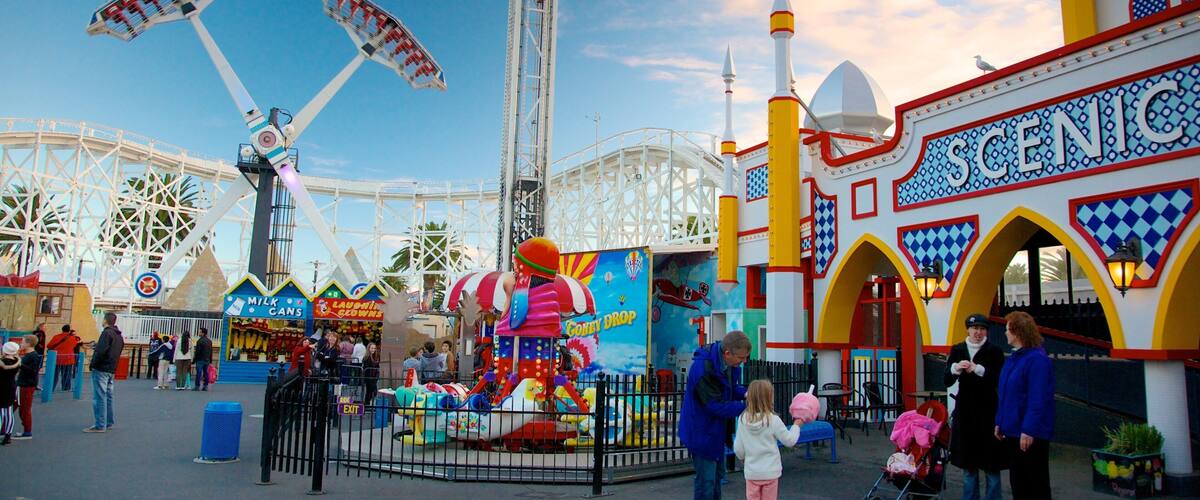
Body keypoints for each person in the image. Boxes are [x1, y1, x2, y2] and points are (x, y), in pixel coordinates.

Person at [681, 330, 751, 500]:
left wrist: (749, 393)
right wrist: (747, 406)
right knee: (707, 482)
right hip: (701, 430)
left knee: (716, 477)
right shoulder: (703, 369)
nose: (744, 362)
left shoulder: (725, 364)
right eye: (741, 358)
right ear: (727, 353)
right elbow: (715, 405)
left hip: (714, 430)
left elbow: (730, 389)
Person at [945, 313, 1007, 500]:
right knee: (969, 467)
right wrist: (955, 368)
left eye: (982, 329)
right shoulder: (958, 349)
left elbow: (999, 380)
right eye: (975, 329)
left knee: (991, 467)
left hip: (988, 412)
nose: (978, 332)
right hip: (966, 413)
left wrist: (978, 370)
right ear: (968, 330)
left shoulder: (994, 351)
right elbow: (947, 380)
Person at [995, 311, 1055, 499]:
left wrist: (1028, 429)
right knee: (1018, 481)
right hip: (1013, 430)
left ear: (1017, 332)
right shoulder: (1015, 358)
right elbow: (1005, 394)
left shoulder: (1037, 360)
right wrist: (1000, 421)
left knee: (1034, 482)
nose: (1005, 333)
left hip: (1028, 432)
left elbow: (1038, 398)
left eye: (1008, 330)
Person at [734, 379, 810, 500]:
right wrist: (796, 425)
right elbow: (789, 441)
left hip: (752, 472)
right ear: (769, 398)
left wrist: (743, 459)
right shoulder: (773, 420)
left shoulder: (743, 420)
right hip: (770, 471)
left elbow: (738, 448)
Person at [85, 312, 123, 433]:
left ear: (105, 320)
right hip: (111, 368)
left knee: (99, 397)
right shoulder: (118, 336)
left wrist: (93, 364)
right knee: (108, 396)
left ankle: (100, 424)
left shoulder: (106, 333)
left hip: (101, 368)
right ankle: (108, 421)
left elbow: (101, 352)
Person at [13, 336, 42, 440]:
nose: (21, 343)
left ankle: (27, 431)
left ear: (28, 344)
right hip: (22, 384)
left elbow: (33, 371)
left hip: (27, 385)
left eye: (23, 341)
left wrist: (20, 364)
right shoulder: (29, 355)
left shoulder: (33, 356)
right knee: (15, 406)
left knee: (24, 408)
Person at [46, 325, 81, 392]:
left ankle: (51, 387)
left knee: (54, 375)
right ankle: (66, 388)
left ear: (62, 330)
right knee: (67, 375)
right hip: (68, 358)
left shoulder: (56, 336)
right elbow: (74, 345)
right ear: (69, 330)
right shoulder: (73, 338)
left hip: (57, 358)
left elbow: (49, 345)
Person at [0, 342, 19, 445]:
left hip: (1, 387)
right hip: (11, 386)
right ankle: (8, 435)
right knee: (8, 411)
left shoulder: (2, 362)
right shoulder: (16, 362)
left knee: (0, 412)